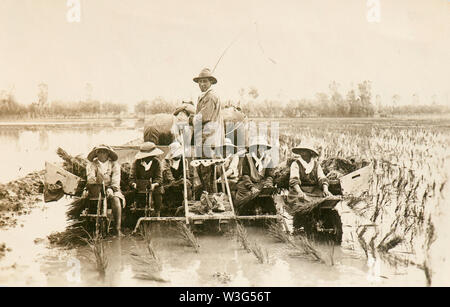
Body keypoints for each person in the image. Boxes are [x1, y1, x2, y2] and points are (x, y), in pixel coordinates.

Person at [190, 67, 224, 194]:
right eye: (200, 82)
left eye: (205, 81)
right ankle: (210, 199)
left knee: (206, 171)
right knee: (206, 170)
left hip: (208, 138)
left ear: (210, 82)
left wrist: (191, 119)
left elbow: (204, 116)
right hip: (207, 138)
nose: (202, 84)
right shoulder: (206, 96)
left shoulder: (210, 97)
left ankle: (210, 199)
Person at [86, 144, 125, 236]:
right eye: (99, 152)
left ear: (108, 154)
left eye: (104, 152)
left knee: (116, 199)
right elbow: (90, 178)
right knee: (89, 198)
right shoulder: (92, 165)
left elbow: (116, 179)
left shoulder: (114, 165)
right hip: (96, 188)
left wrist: (111, 188)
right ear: (96, 154)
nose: (102, 154)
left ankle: (117, 228)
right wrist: (96, 182)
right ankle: (91, 227)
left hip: (112, 188)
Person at [234, 135, 275, 214]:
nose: (261, 149)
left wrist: (268, 184)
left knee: (265, 195)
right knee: (245, 196)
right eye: (258, 147)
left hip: (261, 183)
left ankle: (265, 212)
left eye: (263, 147)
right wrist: (251, 187)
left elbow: (269, 175)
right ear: (254, 148)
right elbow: (245, 175)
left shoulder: (268, 159)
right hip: (247, 184)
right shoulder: (247, 157)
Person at [129, 142, 165, 216]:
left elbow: (159, 178)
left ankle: (157, 212)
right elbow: (131, 178)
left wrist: (154, 184)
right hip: (139, 187)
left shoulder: (157, 162)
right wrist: (134, 184)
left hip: (153, 186)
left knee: (159, 190)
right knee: (131, 194)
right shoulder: (136, 163)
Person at [162, 141, 192, 213]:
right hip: (168, 183)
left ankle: (186, 204)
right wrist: (178, 181)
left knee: (188, 184)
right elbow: (168, 177)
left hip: (180, 182)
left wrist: (185, 179)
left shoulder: (184, 161)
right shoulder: (166, 162)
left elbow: (186, 175)